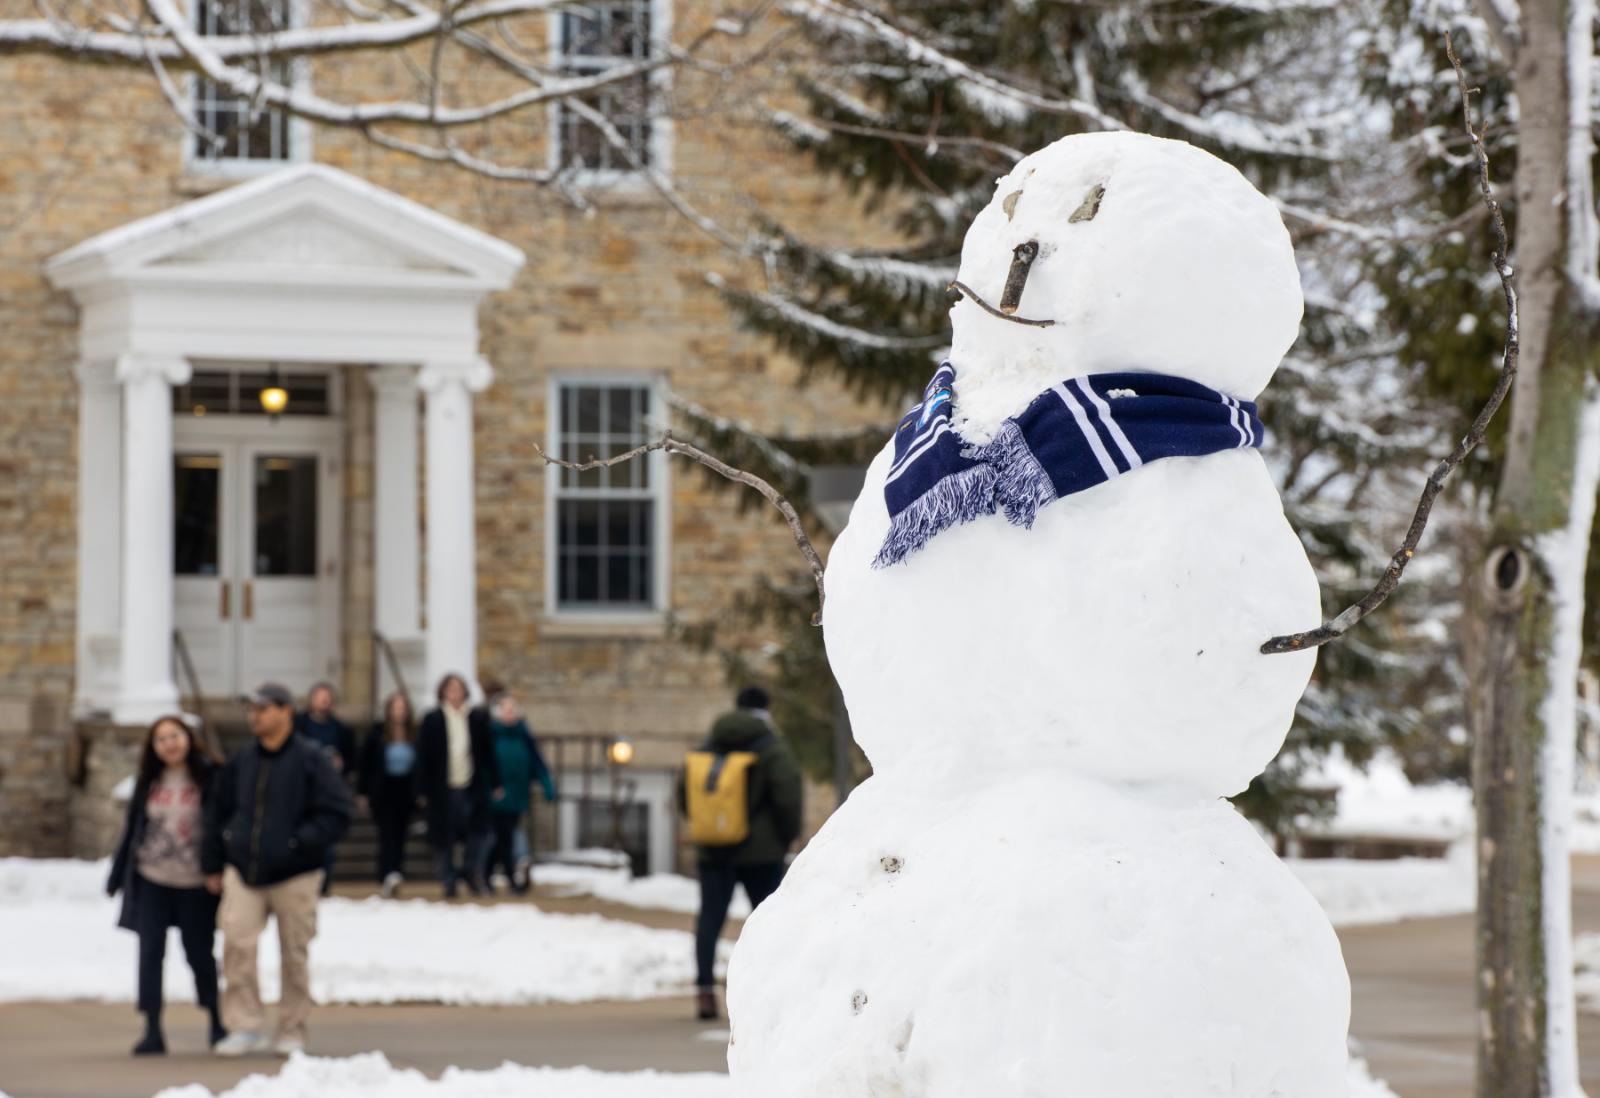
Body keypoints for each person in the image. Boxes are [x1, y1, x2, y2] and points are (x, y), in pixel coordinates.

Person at [204, 682, 353, 1057]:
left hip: (296, 873)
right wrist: (214, 860)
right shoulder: (243, 760)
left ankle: (292, 1029)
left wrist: (299, 842)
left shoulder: (311, 760)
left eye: (263, 709)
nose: (255, 717)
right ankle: (244, 1025)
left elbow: (338, 813)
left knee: (294, 953)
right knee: (237, 945)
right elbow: (218, 811)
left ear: (286, 711)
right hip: (244, 870)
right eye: (252, 710)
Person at [679, 685, 803, 1022]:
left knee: (710, 919)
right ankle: (768, 993)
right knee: (767, 922)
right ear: (766, 709)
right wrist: (785, 837)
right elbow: (788, 794)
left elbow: (684, 791)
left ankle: (704, 991)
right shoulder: (770, 747)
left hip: (713, 851)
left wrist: (709, 827)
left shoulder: (711, 743)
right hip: (761, 855)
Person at [106, 715, 224, 1055]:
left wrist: (217, 868)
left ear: (188, 738)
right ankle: (152, 1028)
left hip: (194, 882)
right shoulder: (148, 781)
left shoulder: (209, 777)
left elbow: (218, 827)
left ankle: (216, 1020)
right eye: (161, 739)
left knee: (199, 952)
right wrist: (117, 876)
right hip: (151, 879)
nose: (169, 743)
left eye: (174, 736)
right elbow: (132, 831)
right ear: (153, 748)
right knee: (150, 952)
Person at [416, 672, 501, 898]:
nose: (454, 693)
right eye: (450, 688)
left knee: (478, 834)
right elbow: (424, 756)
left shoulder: (477, 718)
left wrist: (495, 782)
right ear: (443, 692)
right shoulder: (432, 719)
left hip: (471, 785)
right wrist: (422, 789)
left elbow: (487, 752)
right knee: (446, 837)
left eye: (458, 688)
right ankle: (448, 879)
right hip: (443, 788)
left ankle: (472, 874)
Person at [482, 691, 556, 895]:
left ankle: (485, 874)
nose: (510, 712)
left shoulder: (523, 734)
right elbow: (485, 765)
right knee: (503, 837)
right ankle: (510, 878)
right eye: (505, 709)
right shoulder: (490, 734)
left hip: (518, 793)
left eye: (512, 708)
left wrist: (547, 784)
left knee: (505, 837)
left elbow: (537, 762)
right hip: (497, 794)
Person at [293, 681, 356, 894]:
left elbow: (351, 760)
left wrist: (341, 764)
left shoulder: (341, 730)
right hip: (300, 790)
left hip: (328, 792)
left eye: (327, 697)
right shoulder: (298, 725)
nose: (324, 701)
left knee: (327, 842)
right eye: (320, 697)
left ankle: (323, 883)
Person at [358, 691, 419, 898]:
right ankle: (385, 873)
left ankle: (397, 872)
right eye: (396, 707)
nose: (399, 712)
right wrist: (362, 793)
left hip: (406, 789)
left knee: (401, 833)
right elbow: (365, 765)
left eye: (403, 707)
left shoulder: (414, 734)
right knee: (387, 833)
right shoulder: (377, 733)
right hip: (383, 790)